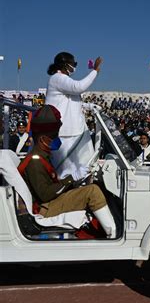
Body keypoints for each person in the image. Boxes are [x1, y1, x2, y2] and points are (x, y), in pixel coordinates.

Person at [17, 105, 116, 238]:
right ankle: (113, 235)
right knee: (93, 192)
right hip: (44, 208)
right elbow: (45, 194)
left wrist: (74, 181)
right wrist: (72, 178)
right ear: (42, 140)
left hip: (49, 202)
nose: (56, 139)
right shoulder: (35, 161)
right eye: (53, 136)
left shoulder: (41, 157)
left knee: (93, 187)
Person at [45, 52, 102, 180]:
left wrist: (89, 106)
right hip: (65, 134)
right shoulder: (57, 78)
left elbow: (72, 101)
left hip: (74, 131)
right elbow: (79, 87)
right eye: (74, 64)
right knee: (66, 171)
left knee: (86, 166)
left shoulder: (63, 80)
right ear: (66, 65)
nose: (74, 67)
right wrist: (95, 71)